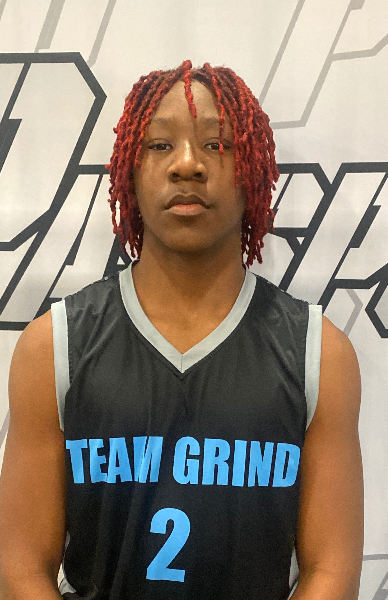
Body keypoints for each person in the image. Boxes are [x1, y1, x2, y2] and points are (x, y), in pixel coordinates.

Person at [0, 60, 363, 600]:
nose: (187, 164)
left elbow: (332, 571)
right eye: (160, 145)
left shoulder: (319, 353)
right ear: (129, 172)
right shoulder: (53, 346)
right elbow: (20, 568)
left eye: (217, 145)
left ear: (254, 171)